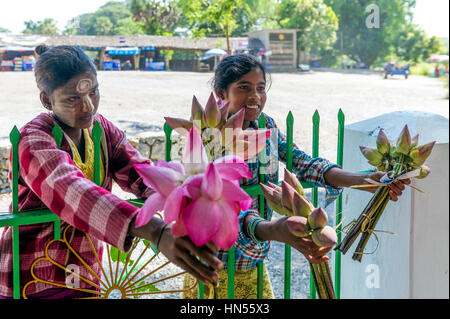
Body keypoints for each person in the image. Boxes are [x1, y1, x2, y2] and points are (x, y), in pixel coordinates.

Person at [0, 45, 222, 299]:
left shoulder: (102, 129)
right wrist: (155, 230)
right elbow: (71, 189)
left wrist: (190, 205)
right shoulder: (34, 139)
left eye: (93, 92)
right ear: (47, 100)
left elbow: (142, 173)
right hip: (33, 278)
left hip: (85, 274)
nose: (88, 106)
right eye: (73, 98)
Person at [182, 53, 410, 299]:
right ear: (221, 93)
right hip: (213, 261)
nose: (255, 97)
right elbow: (225, 208)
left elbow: (303, 163)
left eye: (261, 88)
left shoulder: (266, 126)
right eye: (244, 87)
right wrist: (275, 229)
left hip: (253, 257)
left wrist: (363, 180)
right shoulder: (208, 137)